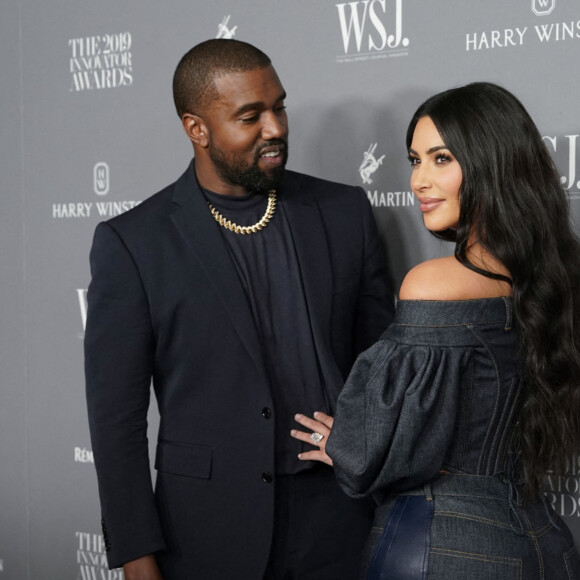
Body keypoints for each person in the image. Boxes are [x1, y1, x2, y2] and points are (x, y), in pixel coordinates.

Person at [84, 38, 394, 580]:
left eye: (279, 107)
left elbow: (384, 364)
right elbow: (117, 422)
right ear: (196, 128)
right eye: (250, 116)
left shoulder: (343, 213)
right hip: (206, 529)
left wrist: (366, 448)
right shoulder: (134, 243)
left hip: (341, 518)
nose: (274, 128)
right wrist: (137, 557)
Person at [292, 82, 580, 578]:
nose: (419, 180)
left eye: (441, 159)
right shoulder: (559, 277)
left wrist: (348, 443)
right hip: (545, 544)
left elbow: (374, 448)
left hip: (439, 547)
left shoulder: (432, 285)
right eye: (414, 160)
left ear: (492, 162)